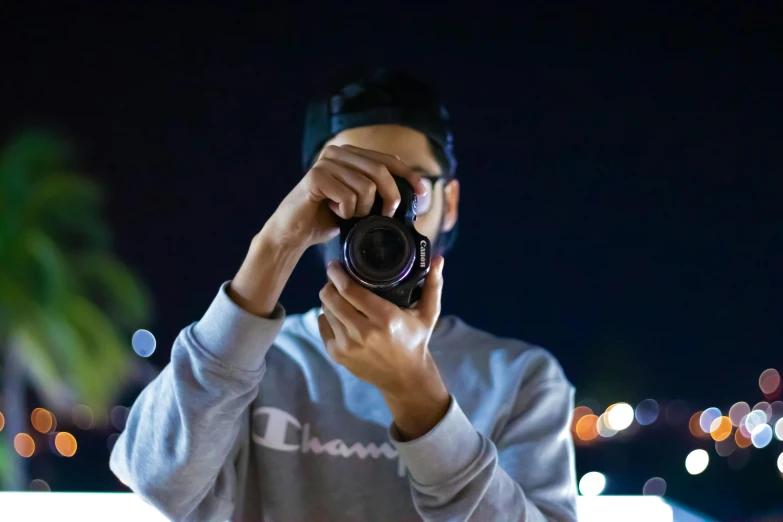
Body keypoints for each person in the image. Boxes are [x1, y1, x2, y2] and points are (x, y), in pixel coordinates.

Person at [110, 69, 578, 522]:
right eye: (354, 184)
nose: (386, 211)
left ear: (450, 202)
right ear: (309, 196)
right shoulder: (247, 361)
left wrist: (418, 395)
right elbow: (156, 480)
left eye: (409, 189)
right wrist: (272, 248)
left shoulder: (520, 379)